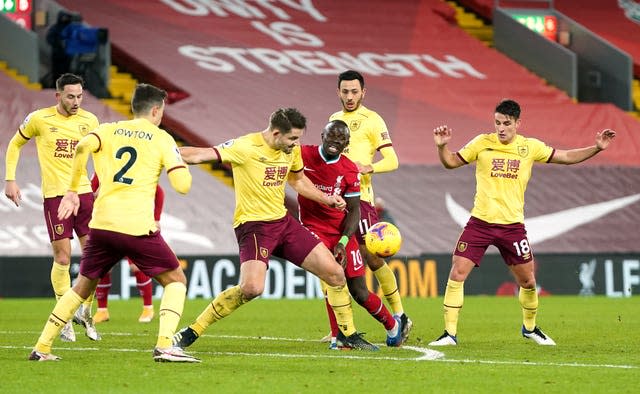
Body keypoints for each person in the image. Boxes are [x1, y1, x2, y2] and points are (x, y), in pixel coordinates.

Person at [173, 108, 377, 351]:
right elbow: (199, 155)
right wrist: (163, 155)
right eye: (292, 138)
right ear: (277, 133)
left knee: (335, 273)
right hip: (255, 226)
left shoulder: (291, 151)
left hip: (284, 222)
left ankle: (346, 335)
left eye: (299, 138)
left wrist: (326, 198)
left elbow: (298, 180)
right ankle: (192, 330)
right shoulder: (245, 146)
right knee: (252, 288)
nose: (296, 144)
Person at [28, 83, 198, 362]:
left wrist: (72, 189)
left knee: (81, 286)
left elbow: (82, 146)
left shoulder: (108, 129)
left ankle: (42, 347)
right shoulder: (162, 138)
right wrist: (179, 164)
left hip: (102, 224)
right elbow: (182, 186)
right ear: (156, 110)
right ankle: (166, 345)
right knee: (176, 280)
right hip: (136, 226)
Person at [429, 99, 616, 346]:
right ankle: (449, 334)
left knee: (527, 281)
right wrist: (442, 148)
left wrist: (597, 147)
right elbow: (451, 162)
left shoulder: (530, 147)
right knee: (457, 272)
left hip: (512, 227)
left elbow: (567, 156)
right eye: (497, 123)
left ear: (518, 123)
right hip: (480, 223)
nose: (501, 128)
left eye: (506, 123)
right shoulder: (481, 143)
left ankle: (530, 328)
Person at [4, 73, 100, 342]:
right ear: (58, 96)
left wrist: (100, 185)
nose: (76, 101)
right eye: (71, 96)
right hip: (56, 197)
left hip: (84, 196)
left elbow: (101, 155)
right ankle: (64, 316)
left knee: (94, 257)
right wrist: (10, 179)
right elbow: (15, 144)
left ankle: (85, 311)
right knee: (63, 257)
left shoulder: (90, 121)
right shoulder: (39, 119)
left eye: (80, 96)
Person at [299, 120, 410, 349]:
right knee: (332, 276)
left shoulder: (349, 169)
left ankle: (392, 325)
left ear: (346, 144)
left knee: (359, 291)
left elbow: (354, 210)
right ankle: (340, 336)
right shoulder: (303, 155)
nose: (335, 142)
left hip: (341, 232)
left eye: (340, 140)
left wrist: (343, 240)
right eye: (331, 136)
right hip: (313, 228)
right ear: (322, 135)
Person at [329, 69, 412, 332]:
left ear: (363, 92)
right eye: (345, 91)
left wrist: (369, 167)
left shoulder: (373, 120)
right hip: (335, 200)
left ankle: (400, 315)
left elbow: (393, 160)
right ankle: (341, 327)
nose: (350, 96)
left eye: (355, 92)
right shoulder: (334, 119)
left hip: (361, 200)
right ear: (338, 92)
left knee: (372, 259)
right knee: (334, 261)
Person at [91, 174, 163, 324]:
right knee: (104, 268)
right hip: (108, 224)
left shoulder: (133, 167)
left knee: (136, 266)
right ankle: (102, 310)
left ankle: (148, 308)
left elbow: (158, 191)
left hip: (133, 223)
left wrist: (156, 218)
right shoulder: (100, 169)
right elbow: (90, 193)